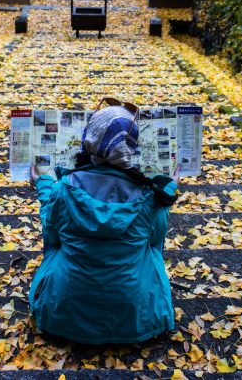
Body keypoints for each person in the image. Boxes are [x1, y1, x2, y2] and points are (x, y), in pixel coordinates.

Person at [28, 100, 179, 345]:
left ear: (89, 140)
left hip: (64, 314)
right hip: (138, 317)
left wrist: (43, 184)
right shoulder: (150, 196)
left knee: (56, 241)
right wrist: (168, 188)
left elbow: (52, 234)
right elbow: (156, 239)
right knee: (151, 245)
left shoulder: (62, 190)